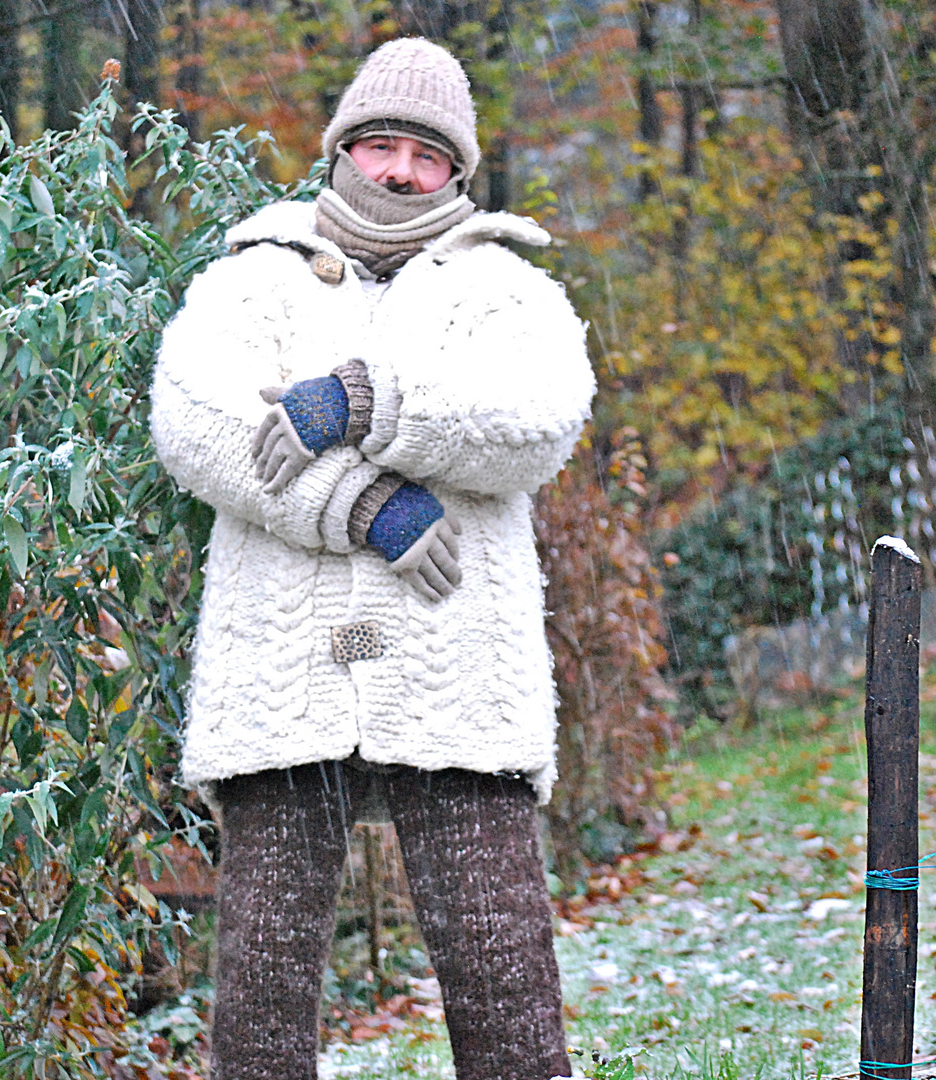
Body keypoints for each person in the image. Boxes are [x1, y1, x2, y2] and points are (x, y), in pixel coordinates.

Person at [149, 36, 595, 1080]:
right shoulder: (249, 278)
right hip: (287, 666)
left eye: (424, 155)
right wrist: (356, 503)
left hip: (454, 672)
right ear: (340, 148)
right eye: (378, 145)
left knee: (504, 985)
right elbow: (196, 424)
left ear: (457, 173)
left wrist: (371, 401)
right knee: (259, 998)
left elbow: (538, 420)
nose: (397, 170)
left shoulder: (505, 289)